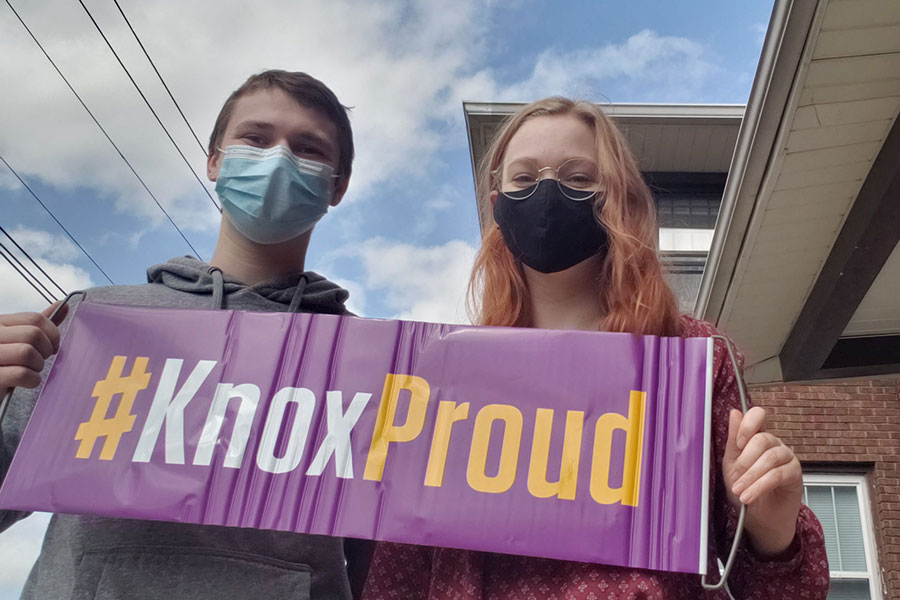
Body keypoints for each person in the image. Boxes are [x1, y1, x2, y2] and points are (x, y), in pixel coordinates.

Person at [361, 98, 830, 599]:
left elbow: (775, 588)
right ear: (497, 204)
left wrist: (771, 526)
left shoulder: (692, 358)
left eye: (578, 177)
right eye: (523, 178)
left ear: (618, 200)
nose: (546, 191)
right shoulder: (444, 373)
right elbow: (401, 570)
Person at [0, 70, 372, 600]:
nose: (279, 158)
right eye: (256, 138)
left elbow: (387, 552)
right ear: (215, 161)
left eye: (308, 148)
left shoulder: (369, 361)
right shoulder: (94, 321)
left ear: (337, 187)